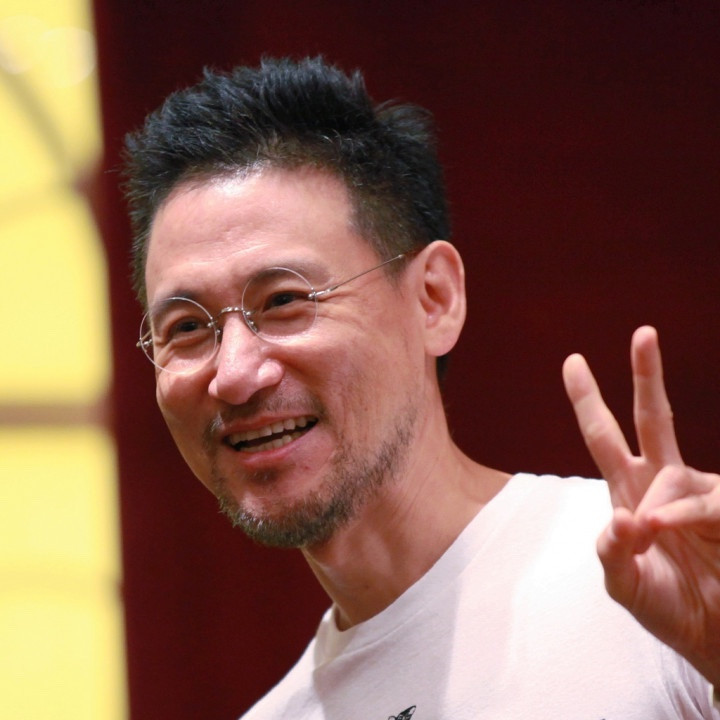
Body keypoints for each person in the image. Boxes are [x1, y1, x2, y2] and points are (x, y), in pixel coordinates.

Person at [123, 57, 720, 718]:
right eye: (186, 328)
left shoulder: (659, 579)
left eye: (284, 300)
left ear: (434, 299)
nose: (234, 373)